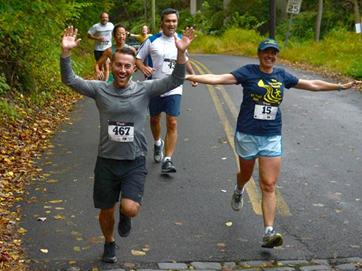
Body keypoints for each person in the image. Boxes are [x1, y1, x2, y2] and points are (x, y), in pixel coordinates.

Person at [185, 38, 362, 249]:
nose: (270, 56)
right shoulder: (248, 72)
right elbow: (219, 78)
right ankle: (239, 188)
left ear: (277, 56)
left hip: (271, 135)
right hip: (247, 134)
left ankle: (268, 232)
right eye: (266, 52)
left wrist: (341, 86)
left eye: (274, 53)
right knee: (246, 174)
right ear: (259, 54)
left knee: (268, 184)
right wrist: (188, 75)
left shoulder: (281, 75)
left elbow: (312, 84)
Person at [61, 25, 195, 263]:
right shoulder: (100, 90)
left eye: (127, 66)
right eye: (118, 65)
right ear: (112, 66)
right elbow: (70, 80)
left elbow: (176, 79)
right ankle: (109, 243)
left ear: (134, 69)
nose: (122, 70)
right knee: (105, 210)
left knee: (129, 208)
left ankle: (126, 215)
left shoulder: (144, 89)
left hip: (134, 161)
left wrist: (182, 53)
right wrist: (66, 52)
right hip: (106, 161)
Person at [136, 8, 197, 174]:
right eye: (168, 21)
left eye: (174, 21)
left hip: (174, 87)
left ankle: (168, 159)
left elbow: (185, 59)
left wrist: (193, 76)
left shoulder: (180, 40)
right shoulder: (152, 40)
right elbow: (138, 58)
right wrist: (143, 67)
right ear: (162, 22)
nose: (171, 24)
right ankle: (157, 143)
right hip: (154, 86)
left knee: (172, 122)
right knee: (155, 119)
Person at [87, 12, 114, 82]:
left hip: (108, 48)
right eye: (103, 17)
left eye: (106, 17)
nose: (104, 19)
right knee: (100, 66)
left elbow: (115, 33)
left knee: (107, 65)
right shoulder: (96, 26)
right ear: (100, 18)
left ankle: (106, 83)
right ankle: (100, 81)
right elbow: (89, 35)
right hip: (98, 49)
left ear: (108, 18)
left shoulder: (111, 25)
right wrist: (97, 38)